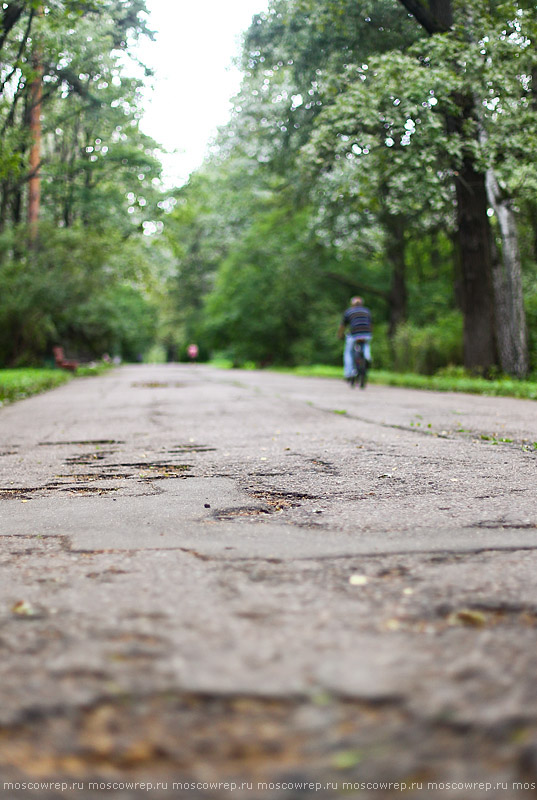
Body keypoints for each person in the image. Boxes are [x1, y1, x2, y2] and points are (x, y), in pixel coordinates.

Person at [337, 296, 372, 382]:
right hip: (366, 333)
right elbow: (370, 324)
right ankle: (368, 357)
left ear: (352, 304)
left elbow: (343, 326)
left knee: (348, 352)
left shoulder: (349, 312)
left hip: (354, 334)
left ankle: (349, 373)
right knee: (366, 345)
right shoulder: (367, 311)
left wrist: (340, 335)